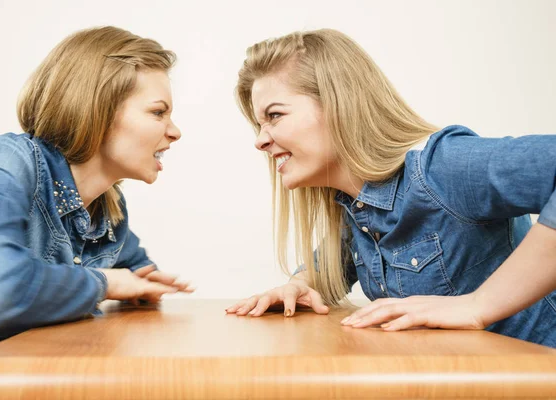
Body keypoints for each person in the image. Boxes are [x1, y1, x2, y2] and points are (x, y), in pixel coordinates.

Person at [226, 28, 556, 348]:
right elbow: (331, 266)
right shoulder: (357, 209)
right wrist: (298, 286)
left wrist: (479, 304)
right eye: (259, 124)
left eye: (274, 115)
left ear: (339, 104)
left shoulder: (443, 167)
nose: (260, 140)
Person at [0, 26, 192, 363]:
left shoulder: (107, 208)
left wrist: (142, 283)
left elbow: (134, 272)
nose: (175, 131)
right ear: (98, 109)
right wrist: (103, 283)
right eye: (158, 112)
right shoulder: (7, 160)